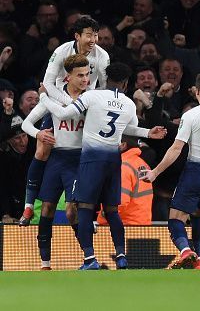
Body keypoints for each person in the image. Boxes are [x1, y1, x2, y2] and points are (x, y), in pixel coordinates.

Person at [39, 62, 166, 270]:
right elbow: (130, 129)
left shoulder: (92, 96)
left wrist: (44, 96)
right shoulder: (128, 104)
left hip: (92, 159)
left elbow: (63, 114)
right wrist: (148, 132)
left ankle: (90, 259)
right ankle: (121, 255)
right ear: (125, 83)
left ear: (106, 79)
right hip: (114, 160)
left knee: (86, 208)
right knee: (112, 210)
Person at [19, 16, 110, 226]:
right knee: (42, 149)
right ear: (77, 36)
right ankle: (29, 205)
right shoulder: (61, 52)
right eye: (89, 34)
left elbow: (102, 88)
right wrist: (69, 103)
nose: (93, 39)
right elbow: (47, 84)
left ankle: (92, 213)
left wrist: (87, 105)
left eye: (96, 35)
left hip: (86, 107)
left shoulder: (102, 56)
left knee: (98, 153)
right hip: (58, 103)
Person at [142, 73, 200, 270]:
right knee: (198, 214)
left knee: (175, 219)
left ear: (197, 91)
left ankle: (186, 251)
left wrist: (155, 173)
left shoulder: (191, 115)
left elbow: (176, 148)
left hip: (196, 171)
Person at [22, 54, 89, 270]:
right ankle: (45, 264)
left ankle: (90, 257)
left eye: (87, 75)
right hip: (57, 158)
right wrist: (38, 135)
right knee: (48, 208)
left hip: (79, 158)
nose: (85, 80)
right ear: (67, 77)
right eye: (80, 75)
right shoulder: (53, 102)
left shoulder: (90, 99)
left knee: (72, 211)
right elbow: (26, 124)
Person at [97, 135, 153, 226]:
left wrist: (103, 215)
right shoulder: (141, 163)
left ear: (123, 145)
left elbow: (119, 202)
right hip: (141, 224)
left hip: (124, 225)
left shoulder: (122, 166)